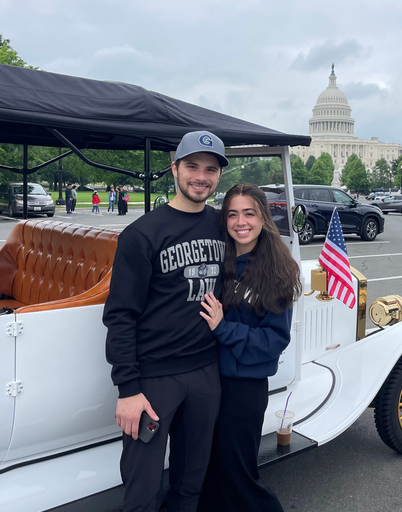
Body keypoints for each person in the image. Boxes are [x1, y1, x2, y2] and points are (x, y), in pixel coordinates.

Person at [103, 130, 228, 512]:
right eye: (192, 166)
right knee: (142, 490)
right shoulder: (142, 234)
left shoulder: (224, 227)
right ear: (174, 169)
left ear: (219, 175)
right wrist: (127, 388)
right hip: (154, 381)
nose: (201, 176)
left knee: (191, 483)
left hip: (206, 372)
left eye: (210, 169)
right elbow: (120, 315)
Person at [197, 184, 301, 512]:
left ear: (263, 218)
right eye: (232, 214)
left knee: (238, 474)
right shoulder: (219, 262)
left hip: (244, 389)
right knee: (211, 470)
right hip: (211, 382)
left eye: (249, 213)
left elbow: (273, 341)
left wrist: (223, 327)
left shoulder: (278, 271)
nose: (241, 221)